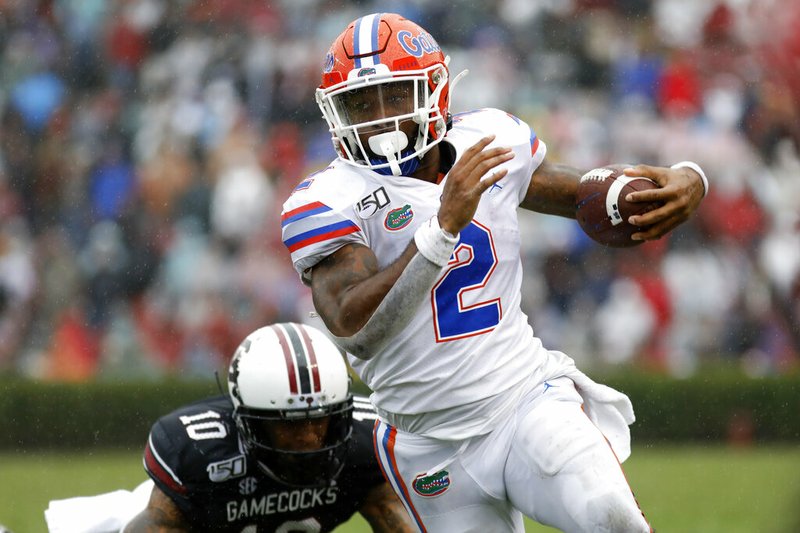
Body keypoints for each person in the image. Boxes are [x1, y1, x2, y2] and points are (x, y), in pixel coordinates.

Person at [281, 12, 709, 533]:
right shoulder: (328, 199)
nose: (379, 117)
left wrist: (687, 181)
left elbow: (586, 199)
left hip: (524, 399)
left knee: (612, 518)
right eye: (359, 103)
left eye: (395, 96)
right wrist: (440, 229)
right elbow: (355, 328)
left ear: (433, 92)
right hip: (426, 444)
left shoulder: (490, 138)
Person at [45, 322, 414, 533]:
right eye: (289, 427)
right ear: (246, 421)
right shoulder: (199, 452)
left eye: (321, 421)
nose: (308, 439)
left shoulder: (367, 445)